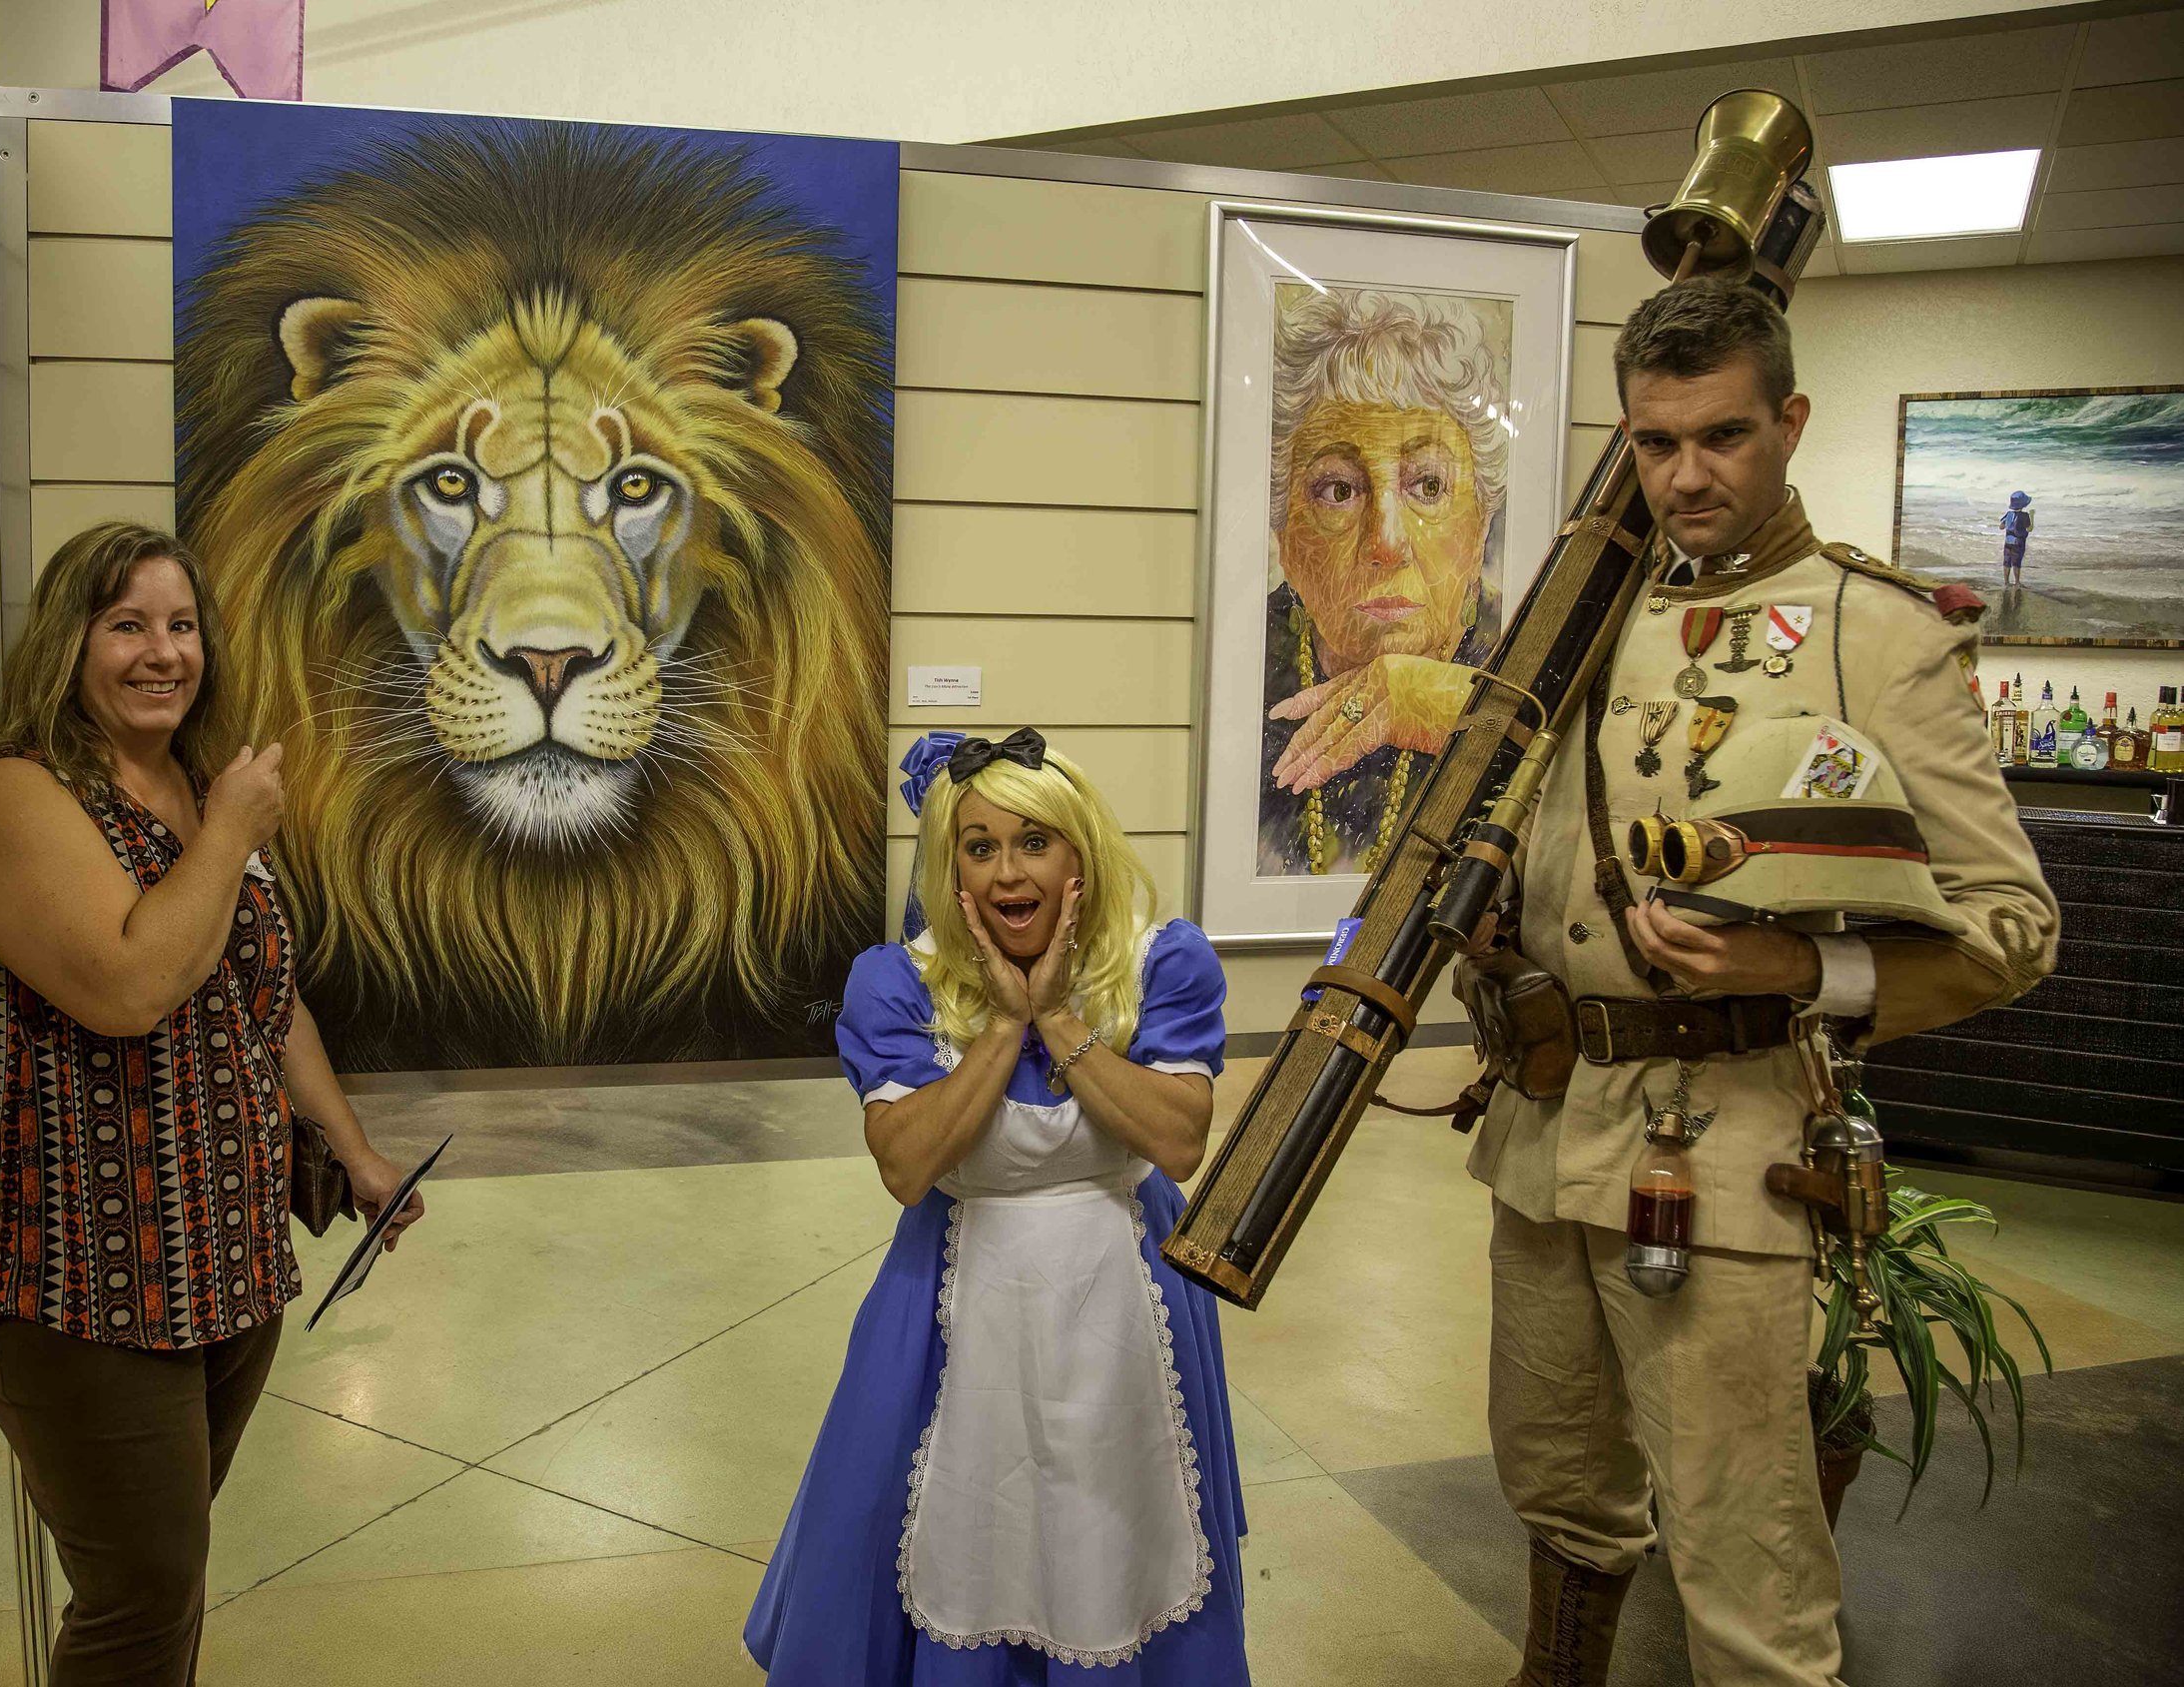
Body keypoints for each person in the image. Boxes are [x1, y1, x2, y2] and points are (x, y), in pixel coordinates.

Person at [1460, 280, 2058, 1686]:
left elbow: (2010, 925)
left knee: (1743, 1547)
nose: (1686, 476)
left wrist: (1801, 962)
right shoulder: (1581, 618)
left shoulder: (1874, 631)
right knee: (1555, 1478)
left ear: (1789, 423)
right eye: (1656, 443)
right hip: (1548, 1124)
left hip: (1719, 1146)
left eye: (1722, 437)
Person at [0, 522, 424, 1686]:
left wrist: (352, 1151)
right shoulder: (15, 792)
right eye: (128, 625)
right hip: (80, 1271)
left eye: (182, 625)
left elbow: (262, 994)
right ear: (68, 642)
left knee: (169, 1570)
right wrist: (235, 832)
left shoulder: (192, 786)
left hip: (220, 1253)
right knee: (138, 1591)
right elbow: (132, 986)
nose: (164, 654)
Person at [745, 728, 1249, 1685]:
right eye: (979, 846)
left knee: (1118, 1523)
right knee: (958, 1520)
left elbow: (1179, 1139)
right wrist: (1005, 1020)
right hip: (949, 1301)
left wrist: (1058, 1016)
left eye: (1034, 841)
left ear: (1079, 853)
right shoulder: (895, 982)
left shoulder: (1160, 962)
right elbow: (906, 1164)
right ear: (951, 868)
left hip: (1127, 1301)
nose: (1009, 871)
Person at [1260, 286, 1510, 875]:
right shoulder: (1246, 671)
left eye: (1428, 486)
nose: (1388, 543)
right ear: (1286, 533)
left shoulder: (1524, 655)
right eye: (1339, 490)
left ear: (1481, 522)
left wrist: (1462, 713)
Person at [1999, 488, 2033, 591]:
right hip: (2019, 542)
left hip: (2008, 541)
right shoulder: (2025, 515)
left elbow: (2001, 526)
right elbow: (2030, 528)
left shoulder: (2009, 514)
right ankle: (2017, 582)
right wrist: (2032, 516)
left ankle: (2006, 582)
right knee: (2017, 563)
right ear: (2023, 505)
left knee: (2007, 562)